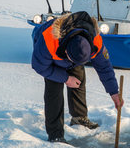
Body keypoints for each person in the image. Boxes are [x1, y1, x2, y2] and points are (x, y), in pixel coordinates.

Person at [31, 11, 124, 143]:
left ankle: (79, 118)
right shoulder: (49, 39)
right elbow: (39, 66)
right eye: (73, 60)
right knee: (54, 90)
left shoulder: (95, 41)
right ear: (67, 51)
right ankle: (55, 134)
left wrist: (114, 92)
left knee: (79, 78)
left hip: (73, 52)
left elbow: (104, 67)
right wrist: (66, 78)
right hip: (50, 58)